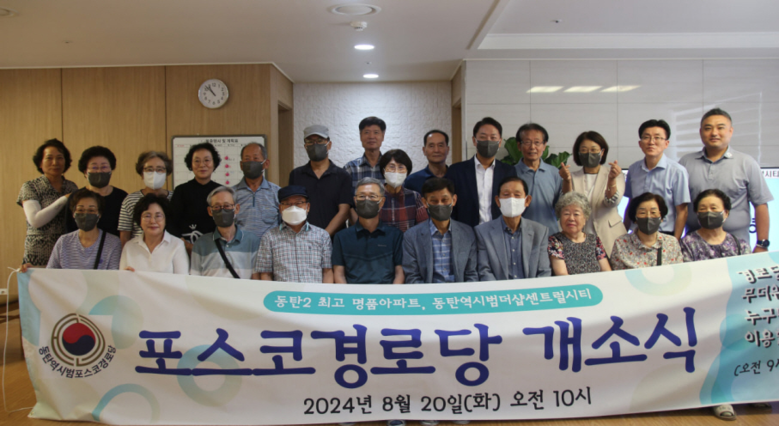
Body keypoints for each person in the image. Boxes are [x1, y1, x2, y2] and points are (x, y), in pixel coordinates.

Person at [680, 108, 773, 251]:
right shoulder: (685, 163)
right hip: (693, 248)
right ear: (700, 132)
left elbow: (760, 204)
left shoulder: (746, 163)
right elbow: (678, 207)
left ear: (730, 131)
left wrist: (761, 243)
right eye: (708, 128)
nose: (714, 133)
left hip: (738, 248)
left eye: (720, 128)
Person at [561, 131, 625, 257]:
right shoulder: (572, 176)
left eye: (594, 150)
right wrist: (567, 180)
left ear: (602, 152)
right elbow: (567, 204)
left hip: (610, 235)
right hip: (581, 237)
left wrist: (611, 179)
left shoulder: (615, 174)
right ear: (578, 153)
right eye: (584, 150)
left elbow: (612, 202)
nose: (589, 153)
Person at [445, 117, 517, 227]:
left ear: (499, 142)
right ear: (474, 140)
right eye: (483, 137)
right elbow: (449, 205)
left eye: (493, 137)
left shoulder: (508, 171)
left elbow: (513, 203)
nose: (488, 141)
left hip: (499, 231)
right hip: (467, 231)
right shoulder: (456, 171)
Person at [402, 177, 477, 283]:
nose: (440, 205)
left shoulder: (467, 233)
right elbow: (412, 277)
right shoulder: (411, 236)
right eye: (434, 201)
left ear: (454, 200)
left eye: (445, 200)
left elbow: (471, 274)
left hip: (459, 292)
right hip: (427, 292)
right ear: (424, 202)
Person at [624, 119, 690, 239]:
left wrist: (675, 241)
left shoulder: (677, 171)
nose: (651, 142)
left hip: (665, 235)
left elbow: (682, 211)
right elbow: (630, 204)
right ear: (640, 143)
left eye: (657, 137)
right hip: (637, 234)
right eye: (646, 137)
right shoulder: (633, 169)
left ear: (666, 143)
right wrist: (624, 232)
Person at [476, 176, 551, 280]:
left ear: (527, 200)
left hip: (531, 289)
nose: (511, 199)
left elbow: (544, 271)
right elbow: (484, 271)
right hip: (499, 289)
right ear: (498, 201)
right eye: (506, 195)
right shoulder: (483, 232)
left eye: (517, 195)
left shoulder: (540, 231)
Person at [17, 139, 79, 266]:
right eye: (49, 158)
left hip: (66, 253)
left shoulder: (72, 187)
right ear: (40, 163)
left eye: (60, 158)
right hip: (38, 255)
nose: (55, 163)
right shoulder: (31, 186)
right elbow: (35, 220)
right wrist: (64, 199)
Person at [255, 185, 333, 283]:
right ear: (280, 208)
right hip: (283, 292)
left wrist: (322, 292)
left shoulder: (322, 236)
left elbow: (327, 272)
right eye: (287, 204)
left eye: (298, 203)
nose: (293, 208)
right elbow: (266, 274)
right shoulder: (269, 237)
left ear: (307, 207)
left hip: (313, 292)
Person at [332, 178, 404, 284]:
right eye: (361, 196)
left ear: (382, 201)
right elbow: (339, 274)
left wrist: (391, 294)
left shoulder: (396, 236)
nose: (366, 200)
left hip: (386, 293)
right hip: (353, 293)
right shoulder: (341, 237)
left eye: (372, 196)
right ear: (355, 200)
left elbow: (399, 273)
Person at [288, 125, 352, 236]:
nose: (315, 144)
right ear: (305, 147)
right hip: (303, 238)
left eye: (320, 140)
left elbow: (344, 212)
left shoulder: (343, 176)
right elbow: (294, 208)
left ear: (329, 145)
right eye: (310, 141)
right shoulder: (296, 175)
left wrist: (323, 236)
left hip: (334, 240)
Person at [190, 186, 260, 279]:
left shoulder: (252, 241)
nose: (222, 210)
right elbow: (194, 280)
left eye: (227, 206)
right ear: (210, 211)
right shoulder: (201, 244)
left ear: (236, 208)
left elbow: (256, 280)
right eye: (217, 207)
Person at [46, 188, 121, 270]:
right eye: (80, 210)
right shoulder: (63, 242)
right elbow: (49, 274)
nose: (86, 214)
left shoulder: (113, 243)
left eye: (91, 210)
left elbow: (114, 275)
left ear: (99, 214)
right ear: (73, 213)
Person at [167, 142, 222, 252]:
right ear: (190, 164)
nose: (202, 165)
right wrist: (186, 245)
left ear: (214, 163)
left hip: (216, 249)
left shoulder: (221, 192)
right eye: (197, 161)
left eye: (207, 160)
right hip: (184, 249)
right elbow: (170, 223)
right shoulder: (181, 191)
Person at [65, 146, 128, 237]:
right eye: (94, 167)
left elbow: (127, 231)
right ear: (85, 172)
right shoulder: (76, 197)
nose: (99, 171)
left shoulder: (122, 197)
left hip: (116, 245)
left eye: (104, 167)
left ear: (111, 170)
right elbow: (69, 229)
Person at [610, 192, 683, 270]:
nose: (648, 216)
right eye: (642, 213)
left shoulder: (671, 243)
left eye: (653, 212)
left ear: (661, 217)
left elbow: (679, 273)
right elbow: (617, 275)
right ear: (635, 218)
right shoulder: (621, 244)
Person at [120, 194, 188, 274]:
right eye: (147, 216)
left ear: (166, 219)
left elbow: (182, 279)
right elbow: (121, 278)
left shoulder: (177, 245)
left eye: (158, 216)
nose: (152, 221)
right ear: (139, 220)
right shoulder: (129, 246)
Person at [514, 122, 563, 234]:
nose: (532, 147)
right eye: (527, 142)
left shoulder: (554, 172)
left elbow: (561, 206)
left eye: (537, 142)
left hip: (550, 234)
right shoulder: (511, 173)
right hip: (520, 234)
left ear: (544, 145)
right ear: (519, 146)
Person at [118, 151, 174, 246]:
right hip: (138, 250)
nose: (154, 173)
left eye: (160, 169)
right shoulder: (130, 200)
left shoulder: (175, 198)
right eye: (149, 169)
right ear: (142, 174)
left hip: (170, 250)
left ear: (167, 174)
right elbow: (124, 236)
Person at [548, 192, 611, 275]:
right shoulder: (555, 241)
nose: (571, 218)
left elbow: (607, 271)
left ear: (585, 218)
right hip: (570, 284)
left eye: (576, 214)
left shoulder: (594, 240)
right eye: (566, 214)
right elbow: (562, 275)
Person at [680, 189, 751, 262]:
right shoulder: (687, 243)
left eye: (713, 208)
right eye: (703, 209)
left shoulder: (740, 245)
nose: (708, 212)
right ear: (697, 213)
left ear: (726, 213)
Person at [232, 142, 280, 241]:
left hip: (270, 248)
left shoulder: (277, 192)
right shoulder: (230, 194)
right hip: (240, 247)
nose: (251, 162)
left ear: (266, 163)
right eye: (247, 159)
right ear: (241, 165)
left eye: (256, 158)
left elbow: (284, 225)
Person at [379, 149, 429, 232]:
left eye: (401, 167)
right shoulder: (375, 196)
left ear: (407, 172)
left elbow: (423, 228)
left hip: (408, 240)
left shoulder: (414, 197)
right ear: (383, 171)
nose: (396, 171)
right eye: (391, 167)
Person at [344, 116, 386, 189]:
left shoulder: (390, 168)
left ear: (383, 136)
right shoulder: (350, 168)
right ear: (360, 136)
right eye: (367, 132)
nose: (371, 136)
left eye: (376, 132)